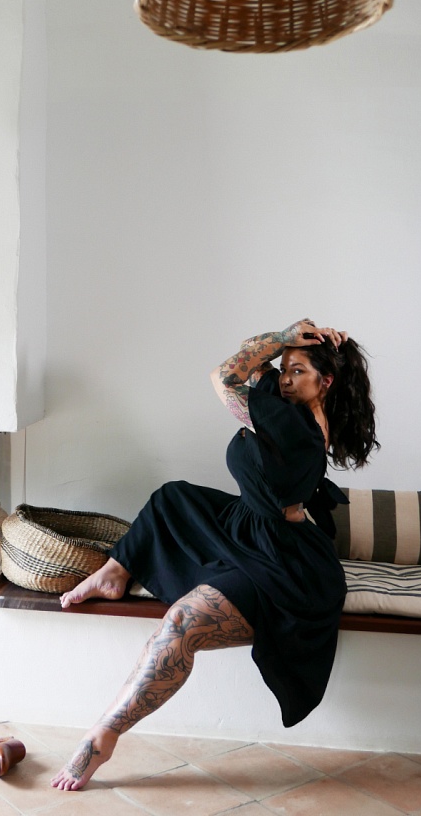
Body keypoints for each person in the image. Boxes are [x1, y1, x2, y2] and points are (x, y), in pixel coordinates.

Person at [51, 319, 379, 792]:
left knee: (181, 623)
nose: (285, 379)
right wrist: (292, 343)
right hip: (248, 525)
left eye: (298, 371)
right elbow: (252, 367)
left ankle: (103, 735)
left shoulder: (288, 423)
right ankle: (114, 572)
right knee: (174, 497)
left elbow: (224, 375)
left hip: (281, 559)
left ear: (325, 382)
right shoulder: (296, 412)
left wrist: (282, 337)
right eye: (285, 368)